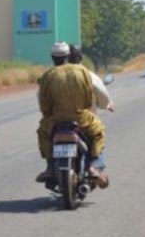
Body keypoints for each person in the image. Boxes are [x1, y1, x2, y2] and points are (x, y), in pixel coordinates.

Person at [36, 42, 108, 188]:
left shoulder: (48, 75)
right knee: (98, 132)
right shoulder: (82, 72)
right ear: (68, 56)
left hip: (55, 120)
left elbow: (44, 105)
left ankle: (50, 166)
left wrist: (49, 115)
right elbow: (88, 98)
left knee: (42, 133)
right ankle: (93, 165)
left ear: (52, 57)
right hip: (81, 117)